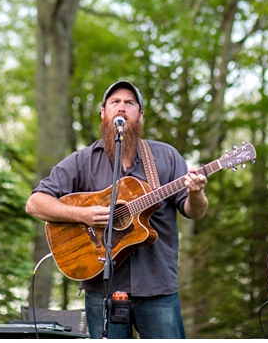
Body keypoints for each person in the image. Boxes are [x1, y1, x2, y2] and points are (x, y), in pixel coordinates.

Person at [26, 80, 208, 339]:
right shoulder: (83, 161)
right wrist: (83, 215)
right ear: (103, 112)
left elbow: (194, 211)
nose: (122, 107)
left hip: (157, 287)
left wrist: (196, 192)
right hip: (102, 288)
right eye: (115, 102)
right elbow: (35, 202)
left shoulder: (166, 156)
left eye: (129, 103)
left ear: (140, 114)